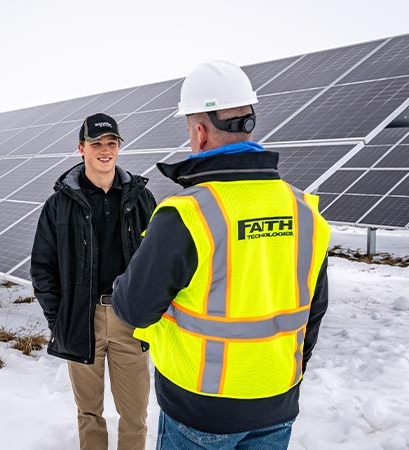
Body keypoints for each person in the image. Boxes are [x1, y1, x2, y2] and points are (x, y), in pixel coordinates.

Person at [112, 61, 331, 450]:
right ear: (249, 120)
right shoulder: (305, 211)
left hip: (200, 408)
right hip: (278, 400)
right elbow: (313, 310)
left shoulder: (186, 214)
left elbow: (134, 308)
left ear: (198, 131)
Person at [30, 112, 156, 450]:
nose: (104, 150)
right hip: (81, 319)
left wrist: (149, 311)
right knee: (89, 413)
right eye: (96, 143)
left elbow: (157, 262)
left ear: (119, 148)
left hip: (129, 320)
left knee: (136, 415)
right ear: (81, 148)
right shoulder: (59, 205)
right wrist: (60, 319)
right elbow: (42, 268)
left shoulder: (141, 198)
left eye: (111, 143)